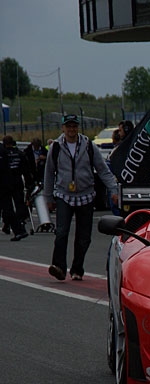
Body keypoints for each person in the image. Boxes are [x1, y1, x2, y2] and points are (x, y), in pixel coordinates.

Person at [43, 114, 120, 281]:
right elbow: (49, 174)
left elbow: (102, 170)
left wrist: (113, 189)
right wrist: (48, 198)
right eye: (68, 126)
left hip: (86, 195)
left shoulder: (88, 146)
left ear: (78, 128)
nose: (71, 129)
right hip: (64, 194)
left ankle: (77, 268)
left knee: (84, 236)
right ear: (63, 128)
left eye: (74, 126)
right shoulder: (56, 147)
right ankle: (59, 267)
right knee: (62, 232)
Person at [0, 139, 29, 241]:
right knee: (9, 209)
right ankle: (18, 230)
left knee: (8, 210)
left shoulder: (2, 151)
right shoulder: (5, 150)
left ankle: (19, 230)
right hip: (9, 183)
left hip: (4, 185)